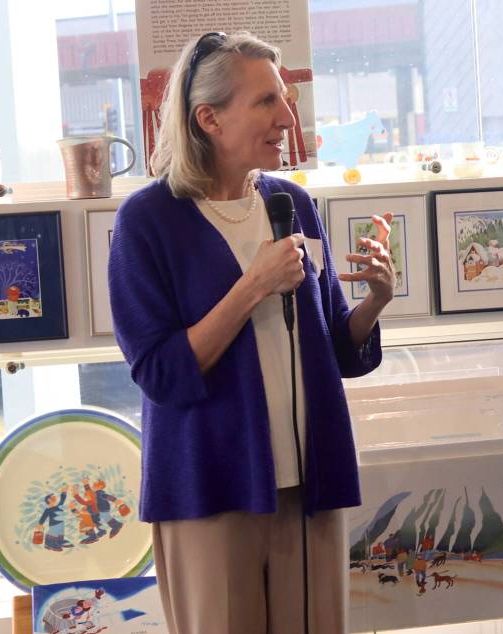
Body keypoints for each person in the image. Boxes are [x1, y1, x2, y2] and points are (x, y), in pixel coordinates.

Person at [108, 31, 396, 634]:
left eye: (285, 98)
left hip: (309, 487)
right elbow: (161, 373)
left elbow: (337, 349)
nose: (287, 116)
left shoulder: (292, 202)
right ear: (207, 117)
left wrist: (376, 299)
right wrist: (251, 286)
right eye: (267, 101)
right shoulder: (147, 220)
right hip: (212, 487)